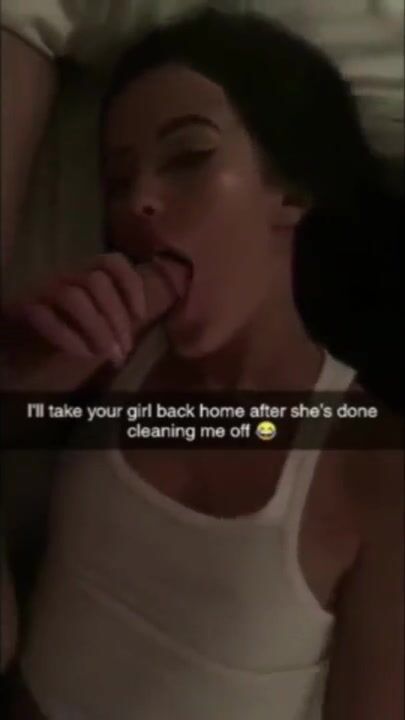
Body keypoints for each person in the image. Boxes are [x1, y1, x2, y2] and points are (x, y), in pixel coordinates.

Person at [2, 9, 403, 720]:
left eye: (188, 157)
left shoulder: (369, 462)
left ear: (291, 193)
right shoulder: (112, 363)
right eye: (117, 181)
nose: (139, 202)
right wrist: (21, 367)